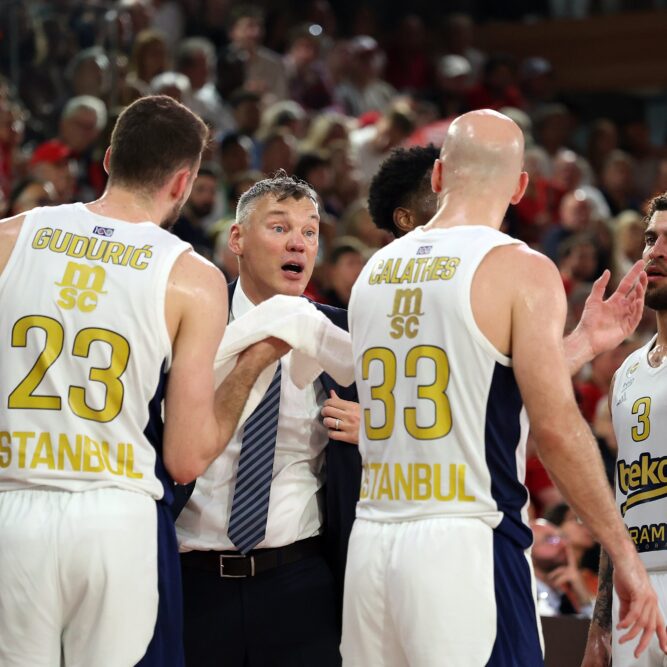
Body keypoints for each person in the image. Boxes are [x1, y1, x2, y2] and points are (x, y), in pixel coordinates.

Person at [343, 109, 665, 666]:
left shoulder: (374, 269)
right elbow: (557, 427)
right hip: (464, 540)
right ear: (520, 188)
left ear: (438, 176)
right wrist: (625, 555)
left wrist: (584, 343)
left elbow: (475, 381)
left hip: (372, 544)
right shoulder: (518, 266)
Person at [0, 95, 287, 667]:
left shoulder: (8, 238)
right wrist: (253, 364)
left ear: (107, 159)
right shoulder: (191, 276)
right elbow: (184, 458)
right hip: (115, 516)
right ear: (183, 182)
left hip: (13, 508)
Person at [175, 171, 360, 666]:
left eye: (310, 231)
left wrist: (377, 430)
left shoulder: (344, 334)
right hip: (190, 580)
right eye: (279, 228)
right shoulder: (190, 321)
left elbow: (423, 428)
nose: (297, 243)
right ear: (237, 239)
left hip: (301, 583)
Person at [583, 192, 667, 667]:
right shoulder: (627, 372)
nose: (656, 252)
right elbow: (621, 505)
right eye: (651, 239)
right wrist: (600, 623)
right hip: (635, 590)